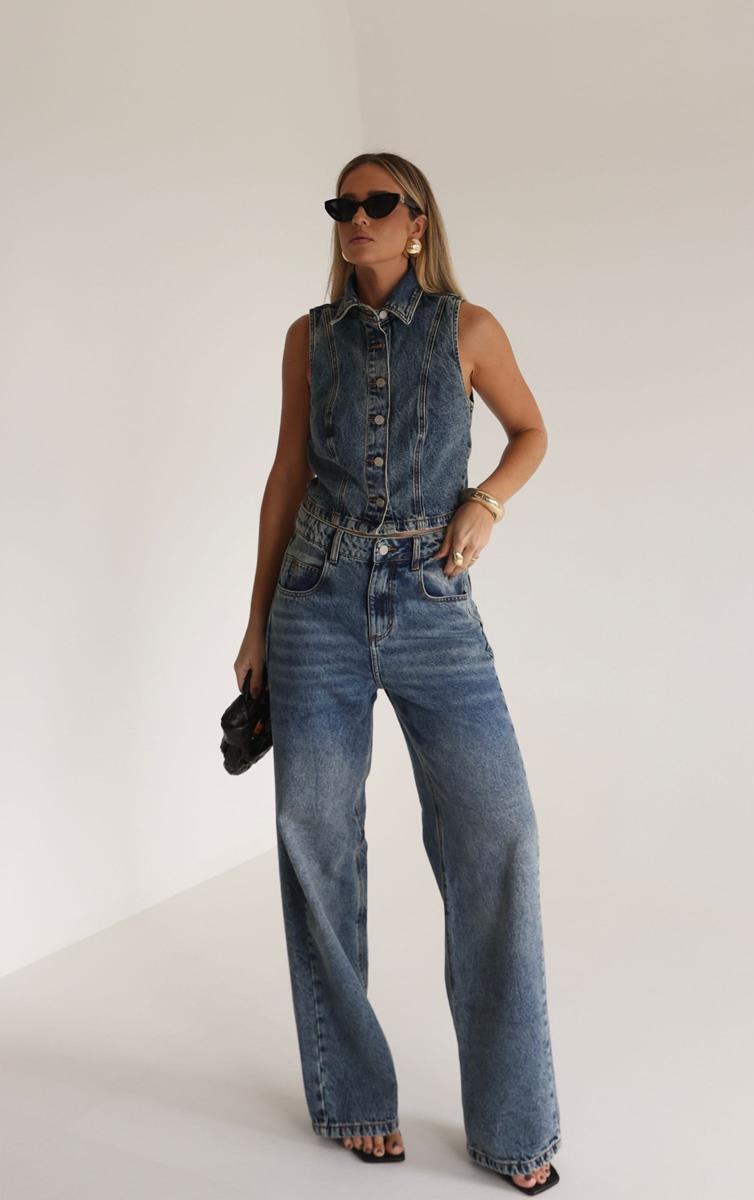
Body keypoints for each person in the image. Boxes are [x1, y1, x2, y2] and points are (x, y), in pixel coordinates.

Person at [234, 151, 562, 1193]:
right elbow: (287, 474)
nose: (357, 217)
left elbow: (532, 432)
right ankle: (355, 1099)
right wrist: (255, 624)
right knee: (317, 841)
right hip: (315, 602)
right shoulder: (308, 338)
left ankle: (514, 1127)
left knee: (497, 835)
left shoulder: (469, 330)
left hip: (432, 602)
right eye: (345, 203)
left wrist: (486, 503)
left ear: (418, 221)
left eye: (379, 203)